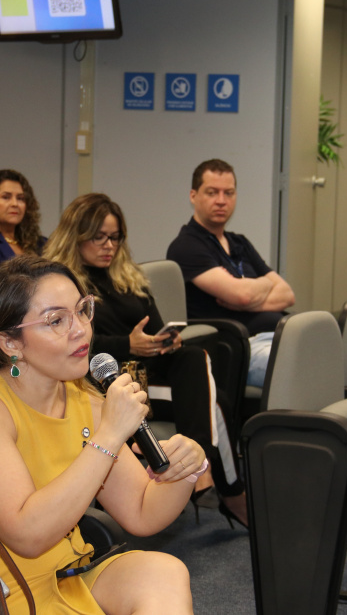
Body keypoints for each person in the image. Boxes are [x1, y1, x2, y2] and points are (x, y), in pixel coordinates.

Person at [0, 254, 201, 614]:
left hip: (68, 575)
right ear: (10, 343)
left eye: (82, 310)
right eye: (56, 320)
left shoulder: (83, 400)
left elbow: (142, 511)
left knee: (164, 573)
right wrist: (108, 437)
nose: (81, 330)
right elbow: (27, 535)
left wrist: (187, 467)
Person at [44, 193, 249, 528]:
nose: (109, 246)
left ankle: (199, 467)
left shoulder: (128, 277)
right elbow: (74, 344)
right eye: (99, 237)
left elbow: (154, 326)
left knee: (194, 356)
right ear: (75, 237)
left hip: (149, 372)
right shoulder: (65, 285)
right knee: (216, 402)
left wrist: (166, 340)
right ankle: (213, 480)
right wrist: (128, 344)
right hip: (104, 380)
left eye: (115, 237)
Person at [166, 159, 296, 387]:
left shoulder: (239, 242)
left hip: (281, 336)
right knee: (305, 366)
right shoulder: (186, 246)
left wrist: (248, 297)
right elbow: (242, 295)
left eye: (229, 193)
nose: (221, 200)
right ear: (193, 196)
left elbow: (287, 295)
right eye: (212, 192)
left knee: (332, 355)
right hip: (243, 346)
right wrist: (263, 284)